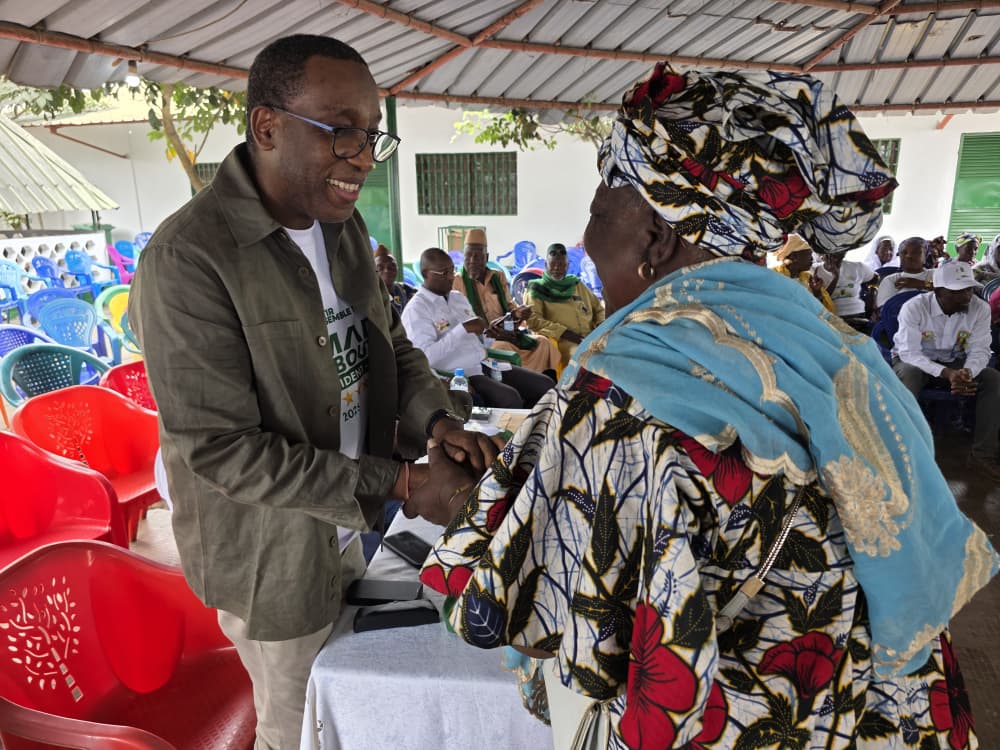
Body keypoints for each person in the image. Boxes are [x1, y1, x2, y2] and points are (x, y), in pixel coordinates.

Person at [409, 63, 997, 749]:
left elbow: (544, 612)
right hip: (864, 716)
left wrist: (457, 503)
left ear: (657, 239)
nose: (589, 238)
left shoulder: (625, 385)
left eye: (600, 213)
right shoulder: (842, 352)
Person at [128, 35, 497, 750]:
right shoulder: (188, 260)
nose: (360, 155)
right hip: (271, 553)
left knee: (356, 707)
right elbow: (223, 452)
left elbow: (389, 347)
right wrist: (399, 482)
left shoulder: (343, 228)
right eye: (341, 131)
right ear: (267, 127)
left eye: (370, 135)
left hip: (352, 521)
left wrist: (435, 424)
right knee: (300, 729)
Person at [401, 247, 554, 409]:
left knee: (546, 386)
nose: (451, 277)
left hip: (485, 363)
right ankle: (509, 429)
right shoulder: (417, 309)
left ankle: (531, 426)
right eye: (443, 273)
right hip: (459, 373)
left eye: (452, 271)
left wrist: (495, 333)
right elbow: (426, 358)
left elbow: (481, 340)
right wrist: (463, 329)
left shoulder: (457, 298)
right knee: (510, 399)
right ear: (426, 274)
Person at [892, 260, 1000, 480]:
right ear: (939, 291)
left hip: (955, 362)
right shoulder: (915, 307)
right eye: (959, 291)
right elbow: (909, 353)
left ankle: (982, 455)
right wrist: (946, 374)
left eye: (969, 289)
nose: (967, 296)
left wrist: (966, 373)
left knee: (992, 378)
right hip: (917, 362)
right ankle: (898, 450)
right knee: (909, 374)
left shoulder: (980, 308)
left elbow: (980, 350)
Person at [453, 228, 560, 376]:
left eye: (477, 257)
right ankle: (524, 387)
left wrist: (519, 313)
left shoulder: (498, 277)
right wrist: (489, 331)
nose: (472, 261)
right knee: (502, 347)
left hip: (507, 332)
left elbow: (509, 306)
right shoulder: (457, 282)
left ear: (486, 257)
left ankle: (544, 385)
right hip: (482, 339)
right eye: (468, 256)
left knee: (543, 343)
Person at [525, 243, 605, 365]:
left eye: (562, 265)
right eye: (553, 264)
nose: (557, 268)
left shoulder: (577, 285)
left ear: (567, 266)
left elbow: (598, 309)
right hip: (563, 341)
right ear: (546, 265)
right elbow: (534, 321)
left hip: (590, 337)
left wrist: (601, 327)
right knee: (586, 359)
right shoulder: (537, 288)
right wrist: (565, 333)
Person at [811, 249, 877, 327]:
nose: (834, 256)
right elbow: (821, 299)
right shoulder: (815, 270)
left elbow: (876, 279)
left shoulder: (858, 267)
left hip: (857, 315)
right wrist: (836, 276)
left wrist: (872, 297)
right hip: (831, 317)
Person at [772, 233, 834, 312]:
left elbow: (823, 312)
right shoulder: (774, 276)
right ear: (794, 257)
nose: (812, 259)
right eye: (809, 254)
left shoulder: (809, 279)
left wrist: (817, 292)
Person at [875, 235, 935, 309]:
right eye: (904, 252)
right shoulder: (890, 280)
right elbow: (886, 311)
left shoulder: (937, 274)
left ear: (925, 256)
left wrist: (921, 284)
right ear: (899, 256)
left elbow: (949, 295)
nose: (909, 256)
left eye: (915, 252)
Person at [373, 244, 417, 315]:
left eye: (391, 266)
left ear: (397, 269)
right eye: (380, 268)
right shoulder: (370, 295)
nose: (386, 270)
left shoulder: (405, 290)